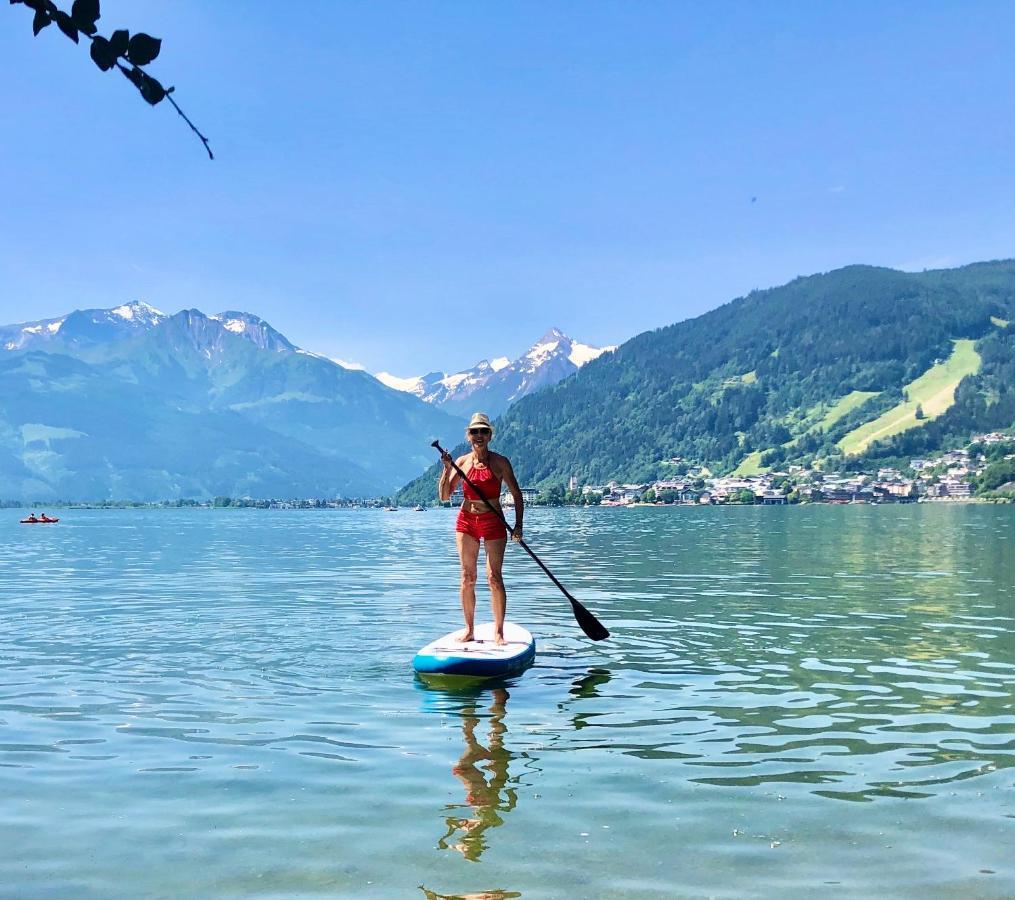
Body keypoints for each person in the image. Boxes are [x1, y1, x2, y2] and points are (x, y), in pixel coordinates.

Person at [438, 412, 523, 645]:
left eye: (483, 431)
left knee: (494, 577)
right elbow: (444, 496)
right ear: (468, 435)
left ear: (490, 435)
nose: (479, 435)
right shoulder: (462, 462)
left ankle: (499, 632)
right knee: (467, 577)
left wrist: (518, 526)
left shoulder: (500, 462)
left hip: (494, 521)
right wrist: (446, 468)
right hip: (466, 522)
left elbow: (517, 495)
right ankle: (469, 630)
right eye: (474, 431)